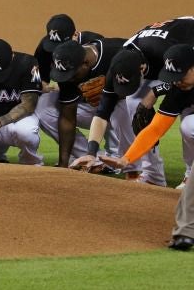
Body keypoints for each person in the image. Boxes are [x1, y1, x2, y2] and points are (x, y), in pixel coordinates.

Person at [74, 44, 194, 250]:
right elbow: (155, 129)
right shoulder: (180, 90)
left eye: (182, 75)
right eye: (174, 76)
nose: (177, 81)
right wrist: (126, 159)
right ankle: (185, 234)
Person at [35, 38, 125, 168]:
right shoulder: (68, 67)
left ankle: (123, 157)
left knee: (123, 104)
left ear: (86, 63)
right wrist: (63, 163)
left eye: (72, 75)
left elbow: (145, 86)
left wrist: (114, 92)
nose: (68, 79)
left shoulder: (117, 53)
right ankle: (92, 159)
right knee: (43, 107)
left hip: (125, 108)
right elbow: (68, 118)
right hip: (94, 110)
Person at [34, 14, 103, 87]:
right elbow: (35, 69)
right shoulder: (44, 47)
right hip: (56, 82)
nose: (58, 49)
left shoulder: (93, 41)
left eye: (62, 44)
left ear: (75, 35)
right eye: (53, 45)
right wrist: (41, 86)